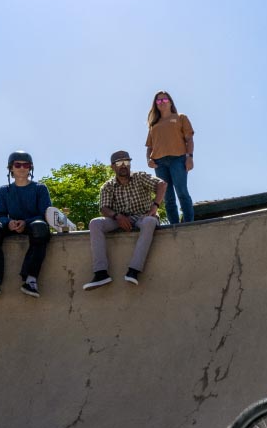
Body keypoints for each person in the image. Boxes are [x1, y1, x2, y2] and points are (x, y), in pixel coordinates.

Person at [83, 150, 167, 290]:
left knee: (150, 221)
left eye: (126, 161)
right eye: (119, 163)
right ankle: (101, 273)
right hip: (120, 219)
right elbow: (104, 208)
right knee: (95, 223)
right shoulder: (108, 186)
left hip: (142, 216)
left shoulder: (140, 177)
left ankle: (134, 270)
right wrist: (117, 216)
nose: (123, 165)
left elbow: (162, 184)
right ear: (112, 166)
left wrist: (155, 206)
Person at [0, 151, 53, 299]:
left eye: (26, 165)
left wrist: (26, 222)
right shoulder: (3, 190)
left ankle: (30, 280)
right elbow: (0, 214)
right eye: (18, 165)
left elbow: (45, 213)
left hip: (32, 224)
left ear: (30, 168)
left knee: (40, 227)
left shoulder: (40, 188)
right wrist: (8, 223)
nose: (22, 168)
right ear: (11, 168)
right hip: (11, 224)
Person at [146, 90, 195, 223]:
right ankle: (174, 226)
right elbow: (149, 147)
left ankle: (189, 224)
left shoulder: (180, 117)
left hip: (178, 159)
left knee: (182, 192)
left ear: (170, 102)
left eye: (165, 99)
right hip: (159, 163)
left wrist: (189, 157)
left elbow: (189, 139)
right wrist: (148, 159)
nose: (162, 102)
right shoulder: (153, 124)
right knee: (167, 198)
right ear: (155, 104)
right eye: (158, 100)